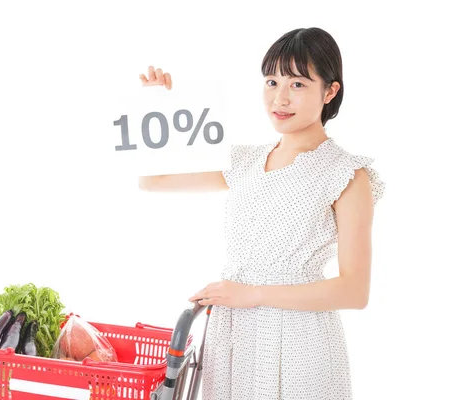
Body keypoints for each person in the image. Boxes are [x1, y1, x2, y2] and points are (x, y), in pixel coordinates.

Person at [138, 27, 385, 400]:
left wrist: (253, 294)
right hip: (233, 338)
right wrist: (157, 106)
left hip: (302, 344)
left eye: (298, 84)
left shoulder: (347, 174)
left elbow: (354, 290)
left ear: (330, 91)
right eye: (271, 81)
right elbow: (152, 181)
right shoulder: (244, 161)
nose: (280, 98)